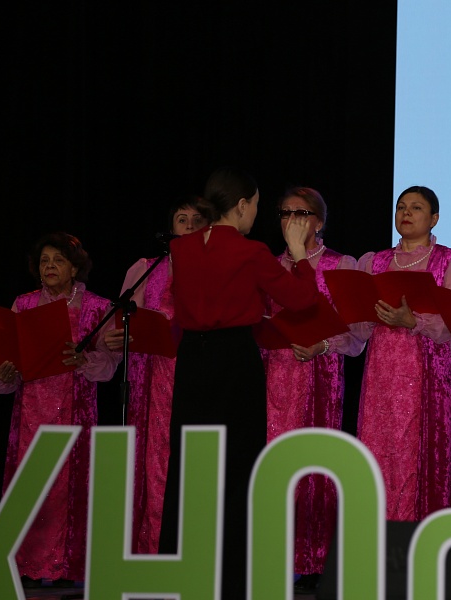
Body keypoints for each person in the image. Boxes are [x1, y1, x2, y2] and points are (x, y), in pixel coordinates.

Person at [159, 167, 320, 599]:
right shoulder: (251, 252)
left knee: (190, 460)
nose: (256, 214)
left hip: (192, 360)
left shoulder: (180, 247)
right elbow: (302, 300)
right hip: (234, 359)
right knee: (237, 463)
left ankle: (181, 567)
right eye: (257, 205)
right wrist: (298, 253)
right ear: (243, 204)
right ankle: (231, 577)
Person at [0, 232, 120, 588]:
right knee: (31, 483)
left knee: (70, 485)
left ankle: (68, 566)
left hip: (76, 413)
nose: (49, 266)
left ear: (75, 267)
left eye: (58, 260)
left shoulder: (97, 306)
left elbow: (110, 364)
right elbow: (8, 356)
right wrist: (6, 371)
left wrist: (84, 360)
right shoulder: (23, 304)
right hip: (30, 411)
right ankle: (27, 565)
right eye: (44, 261)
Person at [260, 186, 365, 594]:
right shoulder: (269, 265)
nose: (291, 220)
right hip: (275, 373)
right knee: (273, 460)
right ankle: (271, 554)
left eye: (300, 213)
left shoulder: (342, 264)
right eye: (284, 213)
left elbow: (356, 333)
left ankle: (316, 559)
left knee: (315, 462)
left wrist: (322, 344)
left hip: (321, 374)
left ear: (318, 222)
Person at [355, 185, 451, 521]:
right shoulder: (374, 262)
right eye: (401, 206)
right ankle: (376, 536)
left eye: (416, 208)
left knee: (420, 457)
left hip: (428, 378)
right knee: (379, 451)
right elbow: (357, 325)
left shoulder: (450, 261)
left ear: (434, 218)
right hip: (381, 378)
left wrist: (413, 321)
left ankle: (421, 537)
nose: (406, 213)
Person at [103, 196, 208, 554]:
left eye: (197, 219)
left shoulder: (218, 268)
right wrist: (119, 337)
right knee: (153, 460)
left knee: (193, 459)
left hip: (196, 378)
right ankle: (150, 549)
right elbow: (121, 325)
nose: (189, 226)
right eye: (182, 219)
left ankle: (192, 549)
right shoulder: (146, 268)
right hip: (150, 381)